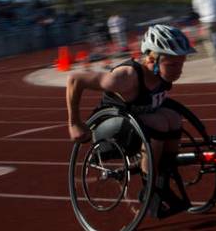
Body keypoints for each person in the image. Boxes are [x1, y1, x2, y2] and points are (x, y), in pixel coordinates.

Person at [66, 24, 196, 217]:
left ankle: (163, 181)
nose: (179, 70)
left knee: (174, 118)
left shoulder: (160, 74)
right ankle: (149, 191)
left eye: (181, 63)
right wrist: (74, 123)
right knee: (160, 123)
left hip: (136, 122)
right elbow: (75, 79)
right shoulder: (124, 78)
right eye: (173, 64)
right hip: (110, 130)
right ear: (152, 58)